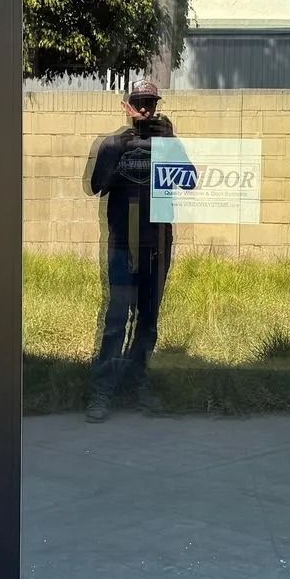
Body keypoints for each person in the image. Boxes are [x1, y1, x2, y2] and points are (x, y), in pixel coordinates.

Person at [84, 76, 181, 422]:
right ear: (127, 107)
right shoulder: (113, 144)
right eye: (138, 102)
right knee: (116, 318)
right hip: (123, 243)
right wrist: (125, 148)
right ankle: (104, 388)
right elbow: (96, 186)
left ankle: (136, 381)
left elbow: (189, 180)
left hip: (156, 243)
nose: (144, 109)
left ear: (157, 107)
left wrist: (167, 142)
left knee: (149, 319)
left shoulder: (168, 143)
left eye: (150, 104)